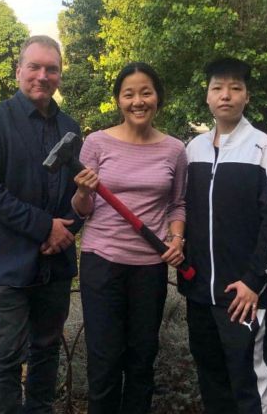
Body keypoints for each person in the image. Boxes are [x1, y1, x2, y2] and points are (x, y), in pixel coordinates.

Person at [0, 35, 83, 414]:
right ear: (18, 71)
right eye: (34, 67)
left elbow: (77, 194)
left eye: (51, 69)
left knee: (47, 352)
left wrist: (65, 231)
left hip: (55, 263)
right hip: (7, 261)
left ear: (60, 76)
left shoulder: (71, 127)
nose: (42, 75)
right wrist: (43, 227)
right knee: (5, 356)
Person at [179, 57, 267, 414]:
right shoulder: (193, 149)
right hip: (200, 293)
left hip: (242, 294)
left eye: (235, 88)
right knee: (211, 380)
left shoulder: (264, 150)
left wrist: (255, 282)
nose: (225, 95)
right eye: (218, 88)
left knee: (250, 384)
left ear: (247, 96)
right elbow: (182, 212)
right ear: (207, 97)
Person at [71, 62, 187, 414]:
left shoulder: (174, 150)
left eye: (146, 92)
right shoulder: (96, 143)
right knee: (104, 360)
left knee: (141, 358)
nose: (138, 101)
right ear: (119, 101)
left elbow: (177, 204)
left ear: (158, 98)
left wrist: (177, 239)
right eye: (129, 94)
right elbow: (81, 209)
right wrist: (82, 191)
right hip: (101, 262)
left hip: (149, 267)